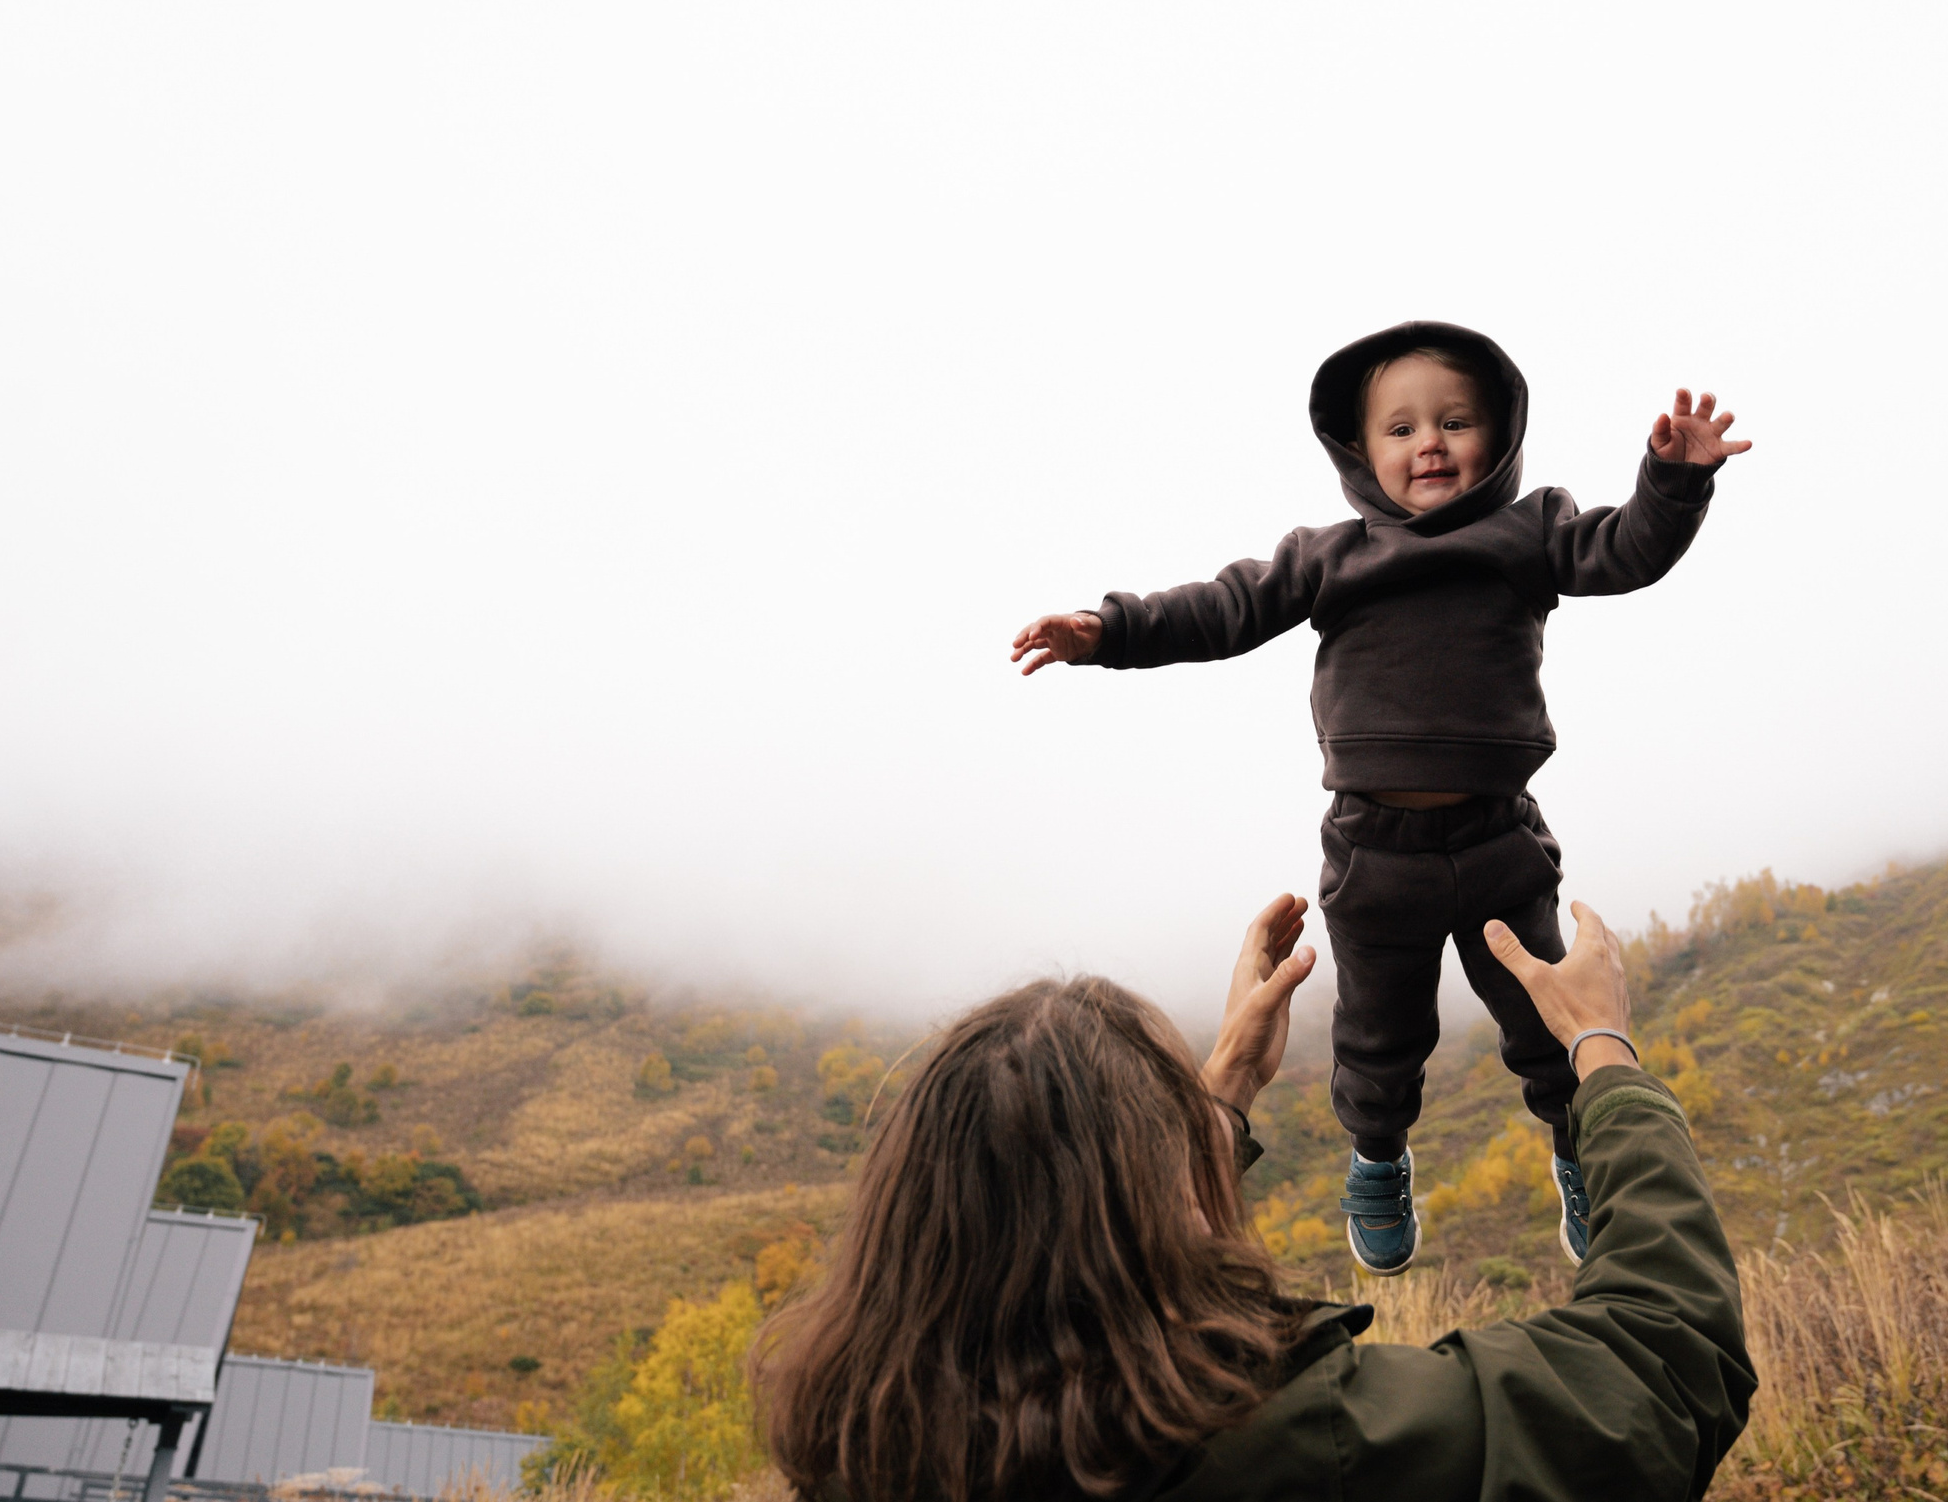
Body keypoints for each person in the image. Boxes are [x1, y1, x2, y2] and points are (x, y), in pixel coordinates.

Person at [1011, 321, 1751, 1272]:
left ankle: (1582, 1151)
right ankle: (1378, 1154)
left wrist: (1675, 481)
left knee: (1545, 1017)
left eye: (1454, 421)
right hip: (1374, 852)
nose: (1429, 443)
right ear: (1361, 452)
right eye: (1400, 429)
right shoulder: (1330, 555)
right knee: (1377, 1033)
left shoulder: (1528, 532)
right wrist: (1107, 629)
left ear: (1500, 437)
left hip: (1499, 842)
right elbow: (1223, 607)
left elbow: (1626, 551)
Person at [751, 893, 1756, 1502]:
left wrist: (1219, 1098)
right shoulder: (1301, 1451)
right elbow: (1663, 1364)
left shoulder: (864, 1453)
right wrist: (1603, 1052)